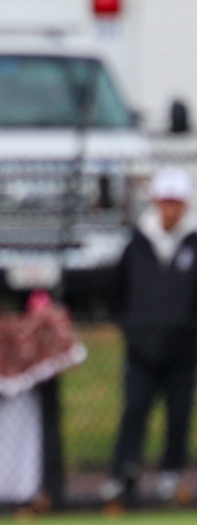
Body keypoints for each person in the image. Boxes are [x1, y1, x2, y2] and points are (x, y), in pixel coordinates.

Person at [104, 167, 197, 507]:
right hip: (141, 348)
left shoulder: (192, 242)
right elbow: (117, 291)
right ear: (156, 202)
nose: (170, 209)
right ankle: (123, 475)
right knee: (134, 410)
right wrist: (132, 329)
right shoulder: (138, 243)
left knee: (178, 414)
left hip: (183, 350)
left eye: (176, 202)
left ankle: (170, 476)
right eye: (165, 202)